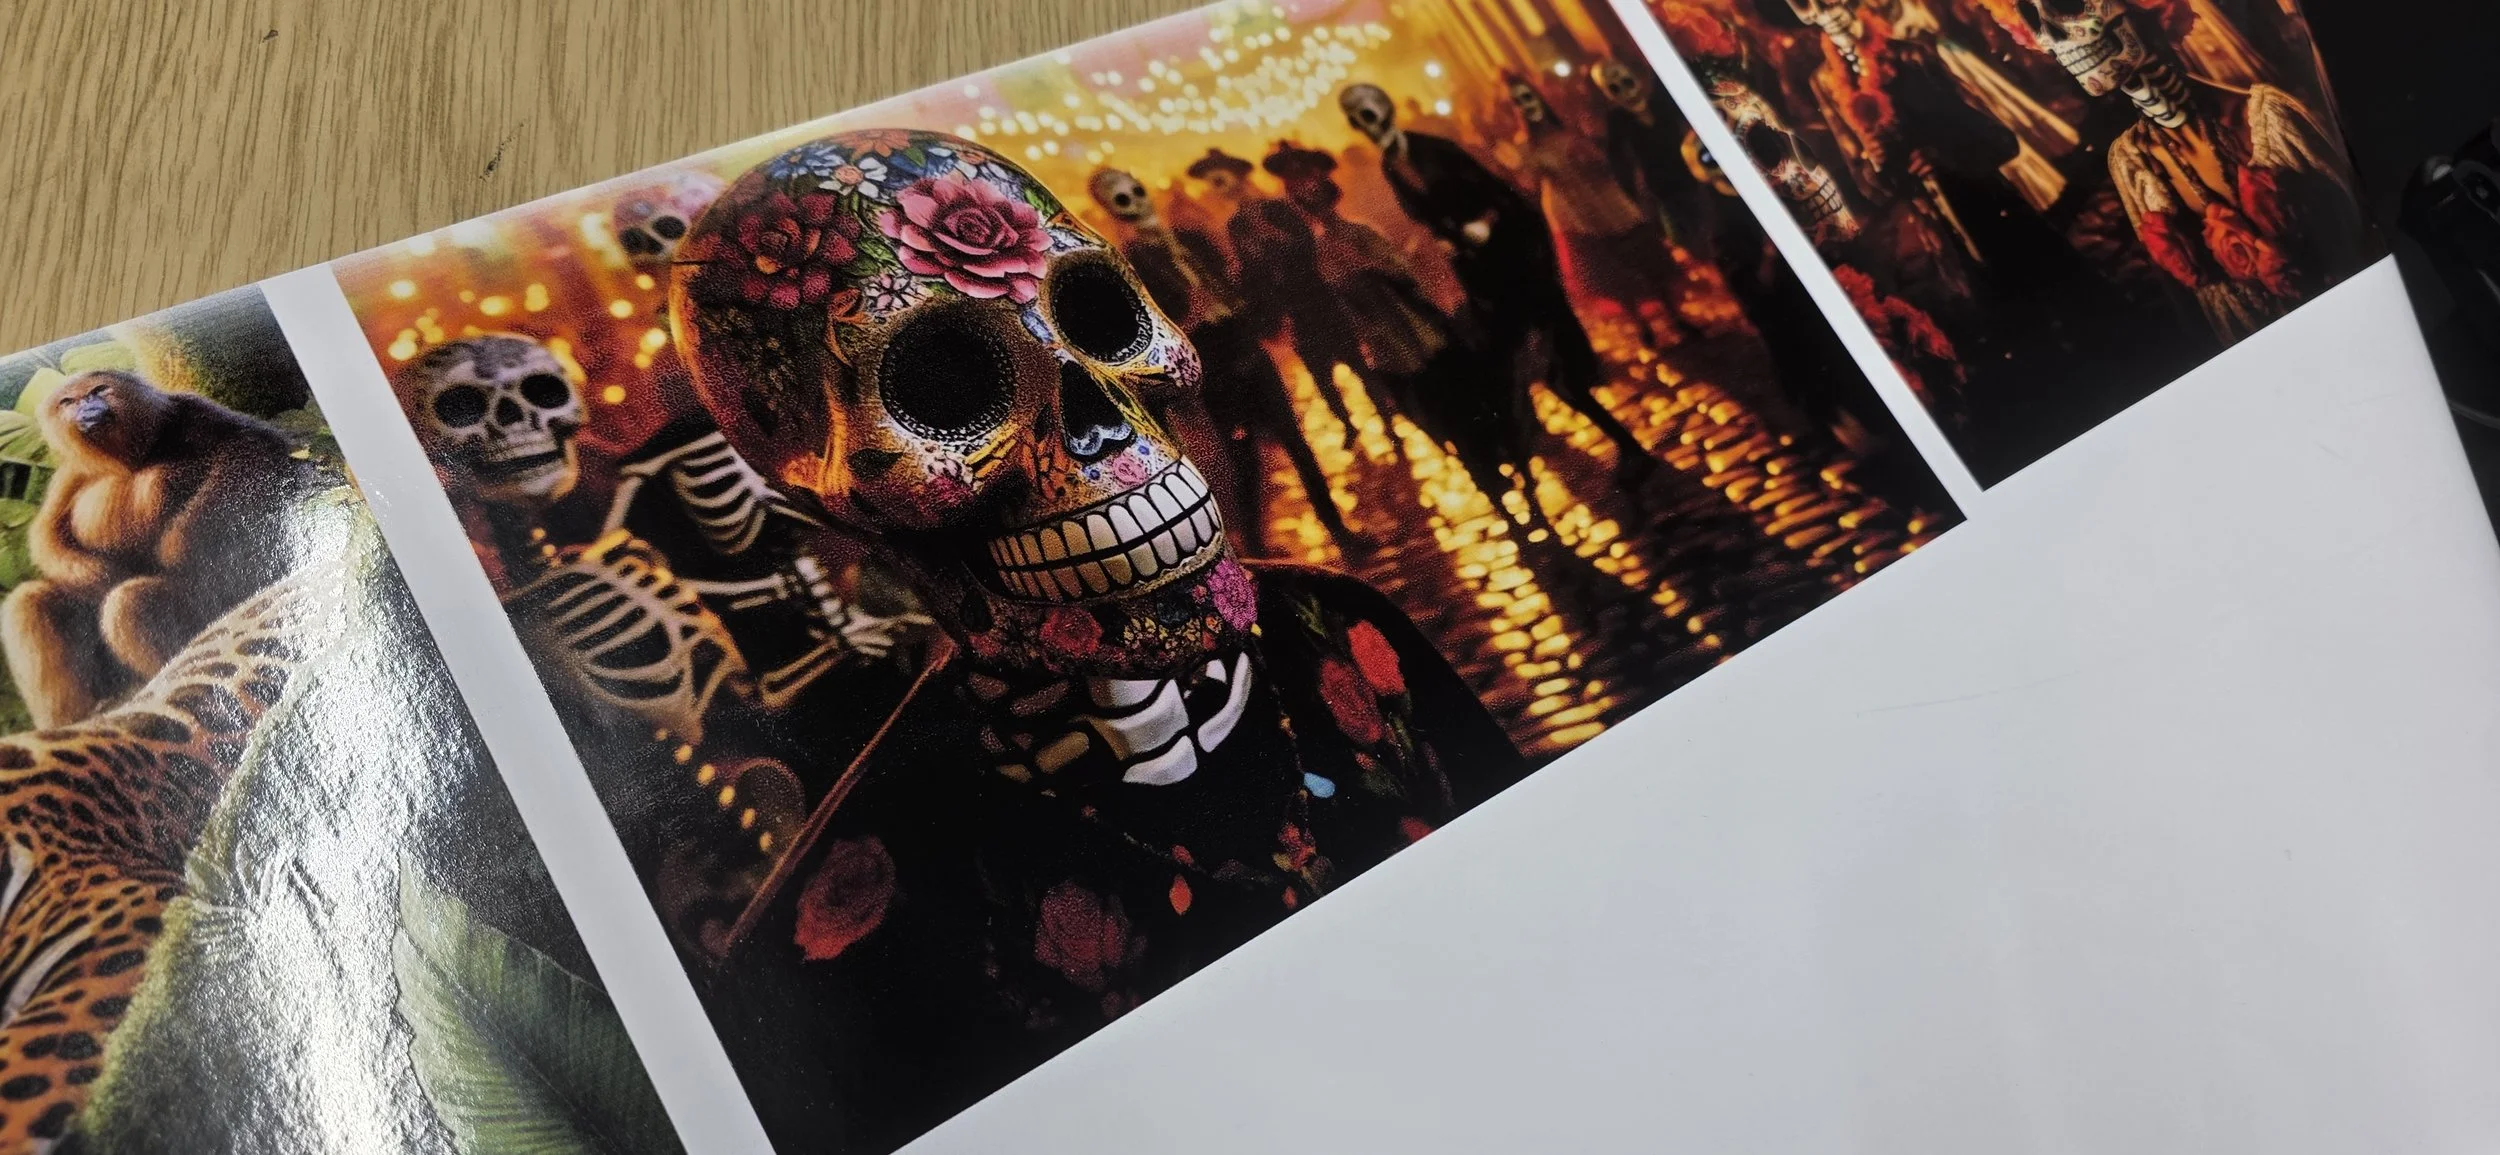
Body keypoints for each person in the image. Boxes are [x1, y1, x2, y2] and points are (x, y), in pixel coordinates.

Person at [1338, 82, 1655, 476]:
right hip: (1482, 279)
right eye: (1359, 118)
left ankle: (1624, 445)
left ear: (1386, 109)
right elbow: (1429, 219)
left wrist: (1487, 223)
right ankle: (1570, 446)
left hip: (1515, 263)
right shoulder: (1391, 166)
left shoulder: (1435, 149)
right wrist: (1444, 244)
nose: (1369, 123)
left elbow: (1501, 193)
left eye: (1371, 111)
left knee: (1555, 368)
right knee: (1521, 368)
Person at [1085, 166, 1363, 558]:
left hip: (1243, 344)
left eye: (1136, 190)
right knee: (1243, 455)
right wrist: (1190, 317)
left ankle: (1337, 528)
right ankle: (1256, 547)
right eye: (1120, 198)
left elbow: (1236, 280)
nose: (1135, 202)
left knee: (1296, 441)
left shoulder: (1189, 239)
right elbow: (1149, 329)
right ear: (1110, 209)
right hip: (1212, 361)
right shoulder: (1133, 264)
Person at [1186, 148, 1368, 444]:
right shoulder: (1236, 226)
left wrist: (1272, 236)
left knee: (1355, 359)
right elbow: (1252, 270)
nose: (1219, 189)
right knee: (1320, 372)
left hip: (1316, 295)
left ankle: (1386, 419)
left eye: (1221, 180)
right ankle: (1347, 424)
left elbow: (1305, 244)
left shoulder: (1277, 209)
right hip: (1292, 307)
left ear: (1239, 178)